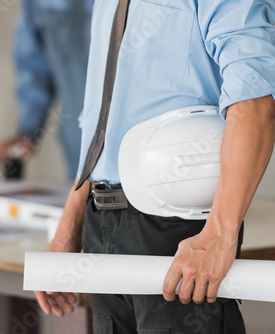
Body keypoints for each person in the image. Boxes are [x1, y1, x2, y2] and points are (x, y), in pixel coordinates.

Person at [34, 0, 275, 333]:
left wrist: (220, 235)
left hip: (175, 228)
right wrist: (68, 228)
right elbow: (102, 120)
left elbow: (255, 101)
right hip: (100, 220)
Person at [0, 0, 93, 181]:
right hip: (78, 151)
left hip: (143, 150)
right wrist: (27, 132)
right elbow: (36, 68)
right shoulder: (39, 4)